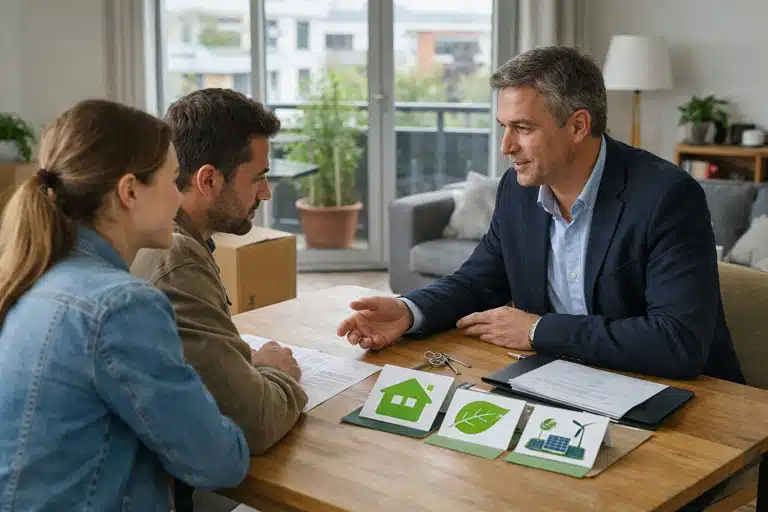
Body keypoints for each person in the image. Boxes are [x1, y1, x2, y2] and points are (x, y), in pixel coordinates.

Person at [337, 45, 745, 384]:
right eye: (504, 126)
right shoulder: (517, 189)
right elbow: (478, 282)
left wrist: (537, 330)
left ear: (578, 126)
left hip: (684, 401)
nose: (506, 146)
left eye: (523, 128)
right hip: (563, 381)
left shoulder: (667, 197)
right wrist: (408, 311)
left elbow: (677, 342)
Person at [0, 99, 249, 511]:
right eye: (173, 180)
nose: (180, 197)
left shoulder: (31, 276)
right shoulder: (121, 306)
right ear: (130, 191)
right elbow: (221, 463)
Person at [131, 88, 308, 509]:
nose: (266, 194)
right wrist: (277, 371)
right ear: (208, 179)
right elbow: (257, 423)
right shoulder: (174, 256)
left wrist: (246, 366)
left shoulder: (163, 236)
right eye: (258, 178)